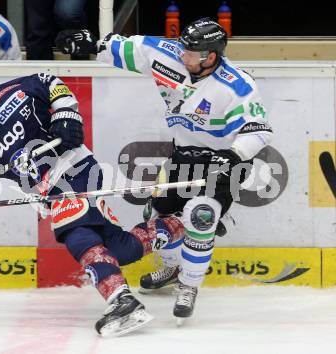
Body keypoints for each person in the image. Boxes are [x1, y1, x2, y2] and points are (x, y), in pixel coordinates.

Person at [55, 18, 274, 324]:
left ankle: (189, 284)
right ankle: (172, 269)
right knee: (160, 218)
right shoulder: (168, 54)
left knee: (201, 214)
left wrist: (233, 156)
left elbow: (258, 130)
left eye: (190, 51)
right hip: (184, 155)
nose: (182, 54)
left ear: (209, 57)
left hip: (225, 160)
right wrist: (94, 44)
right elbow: (130, 48)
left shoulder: (237, 85)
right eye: (183, 47)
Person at [0, 73, 186, 336]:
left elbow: (49, 80)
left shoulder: (11, 94)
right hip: (47, 191)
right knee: (119, 250)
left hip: (75, 167)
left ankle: (121, 299)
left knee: (76, 234)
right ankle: (182, 225)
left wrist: (65, 112)